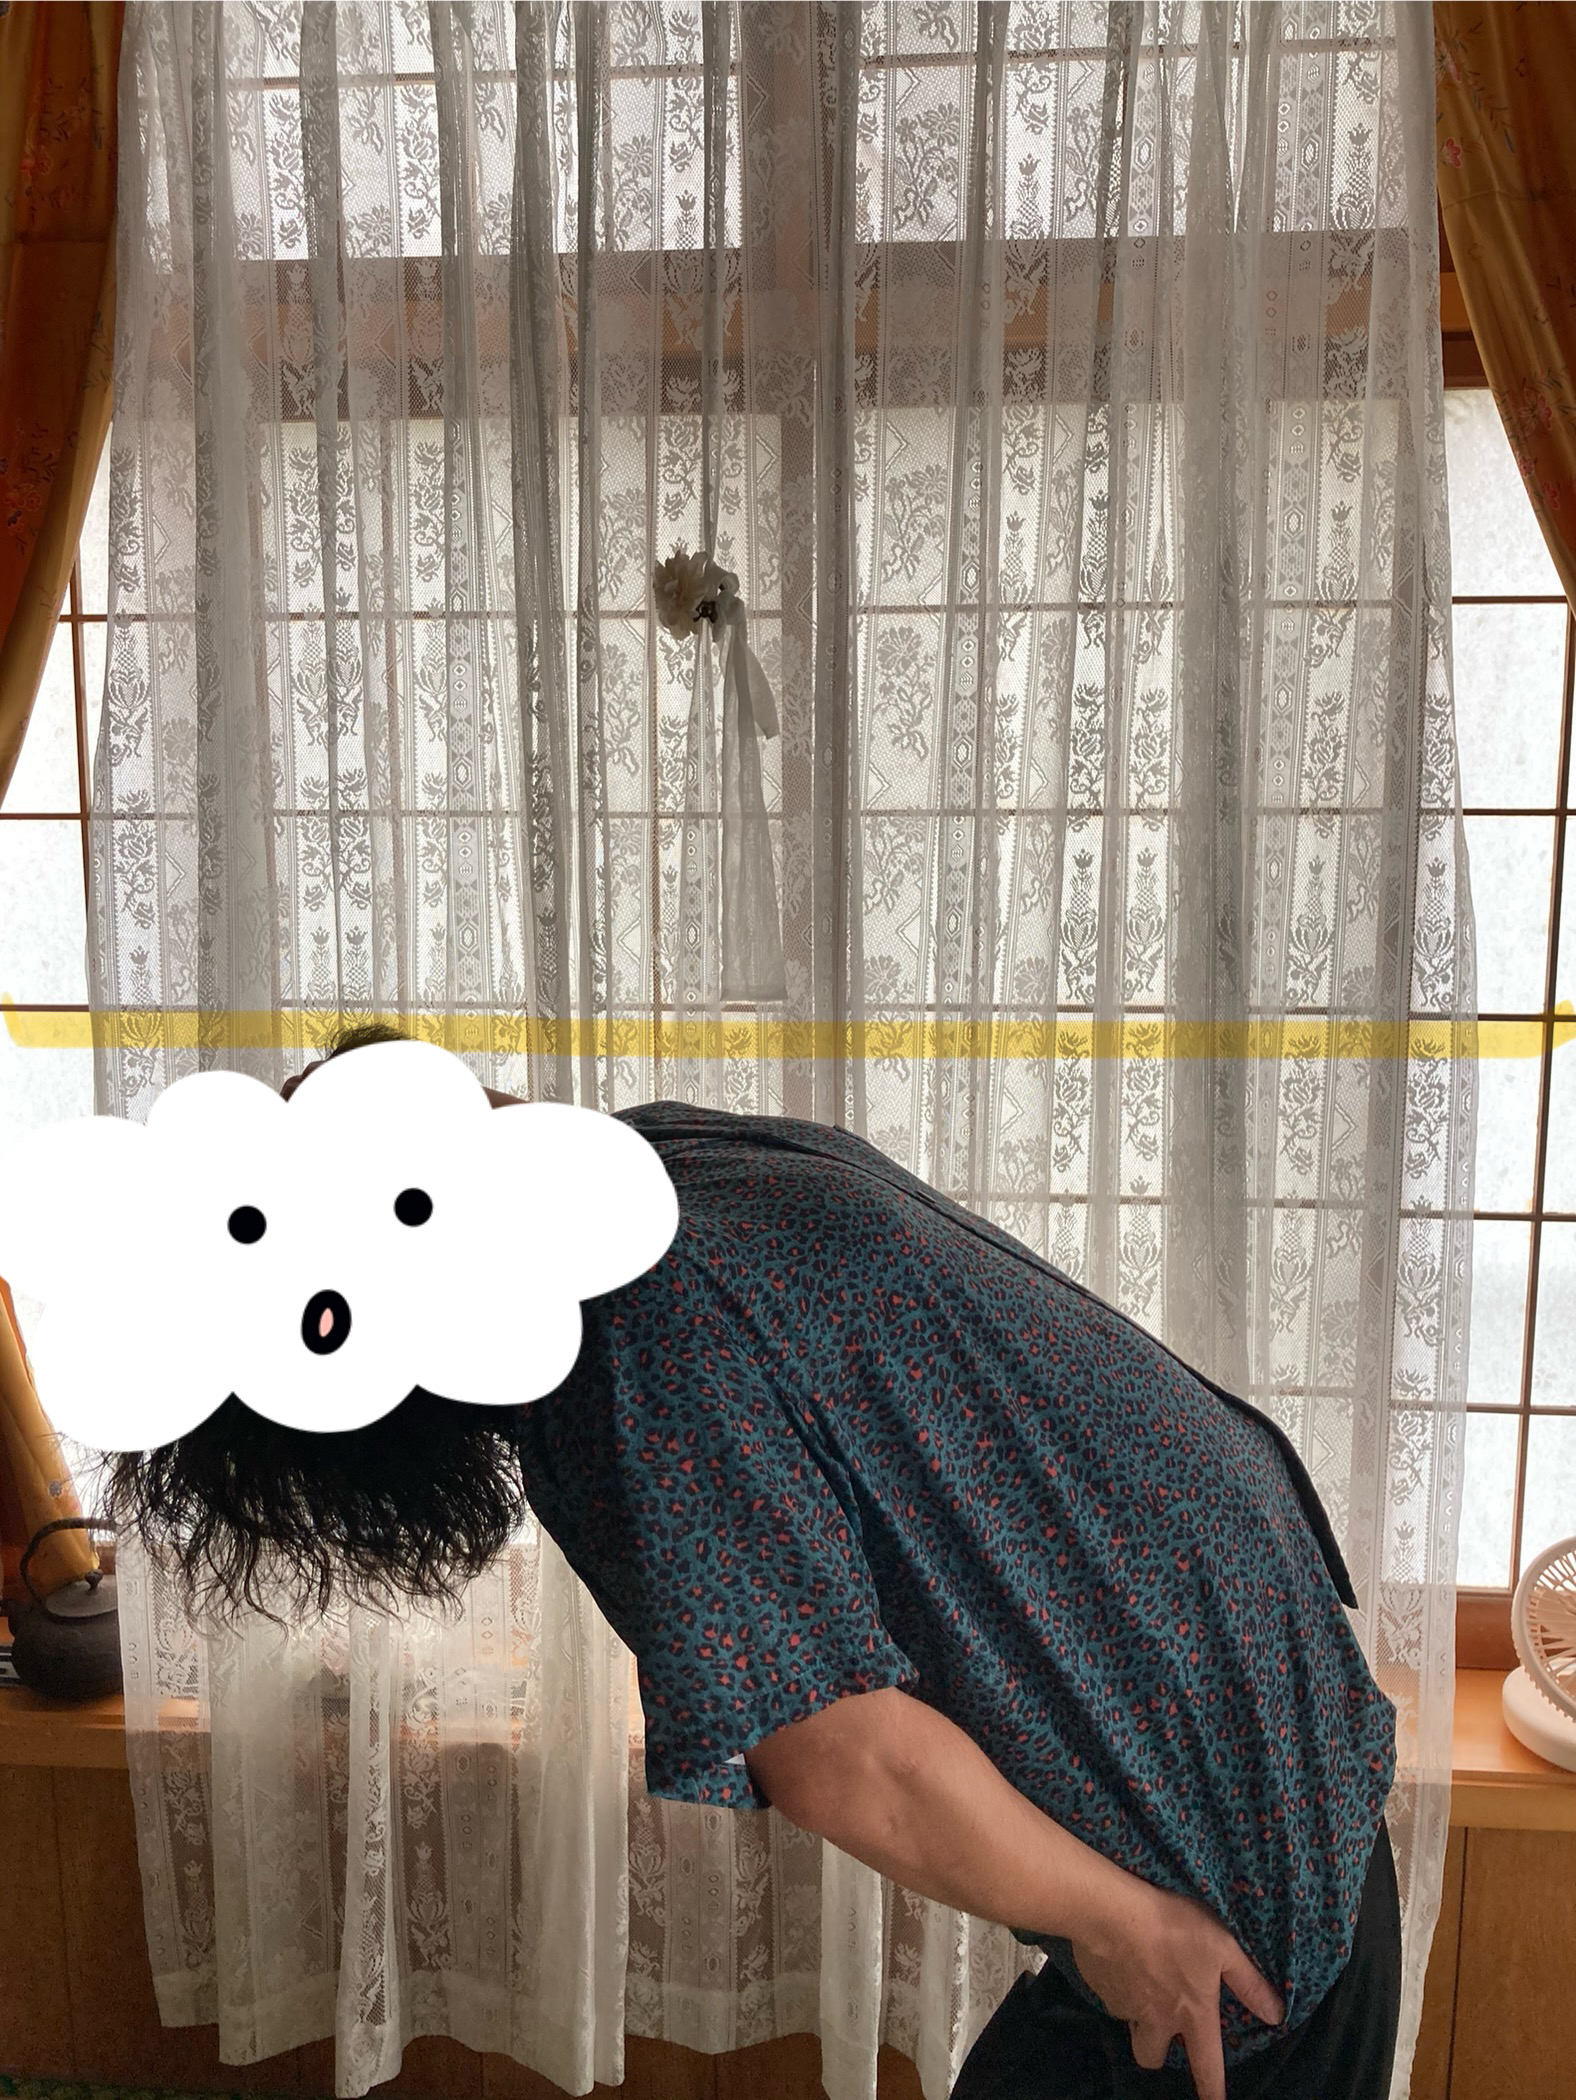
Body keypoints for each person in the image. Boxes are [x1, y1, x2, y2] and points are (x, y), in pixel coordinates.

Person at [102, 1023, 1402, 2100]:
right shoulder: (668, 1159)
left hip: (1227, 1904)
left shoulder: (631, 1337)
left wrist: (1125, 1928)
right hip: (1280, 1739)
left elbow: (846, 1757)